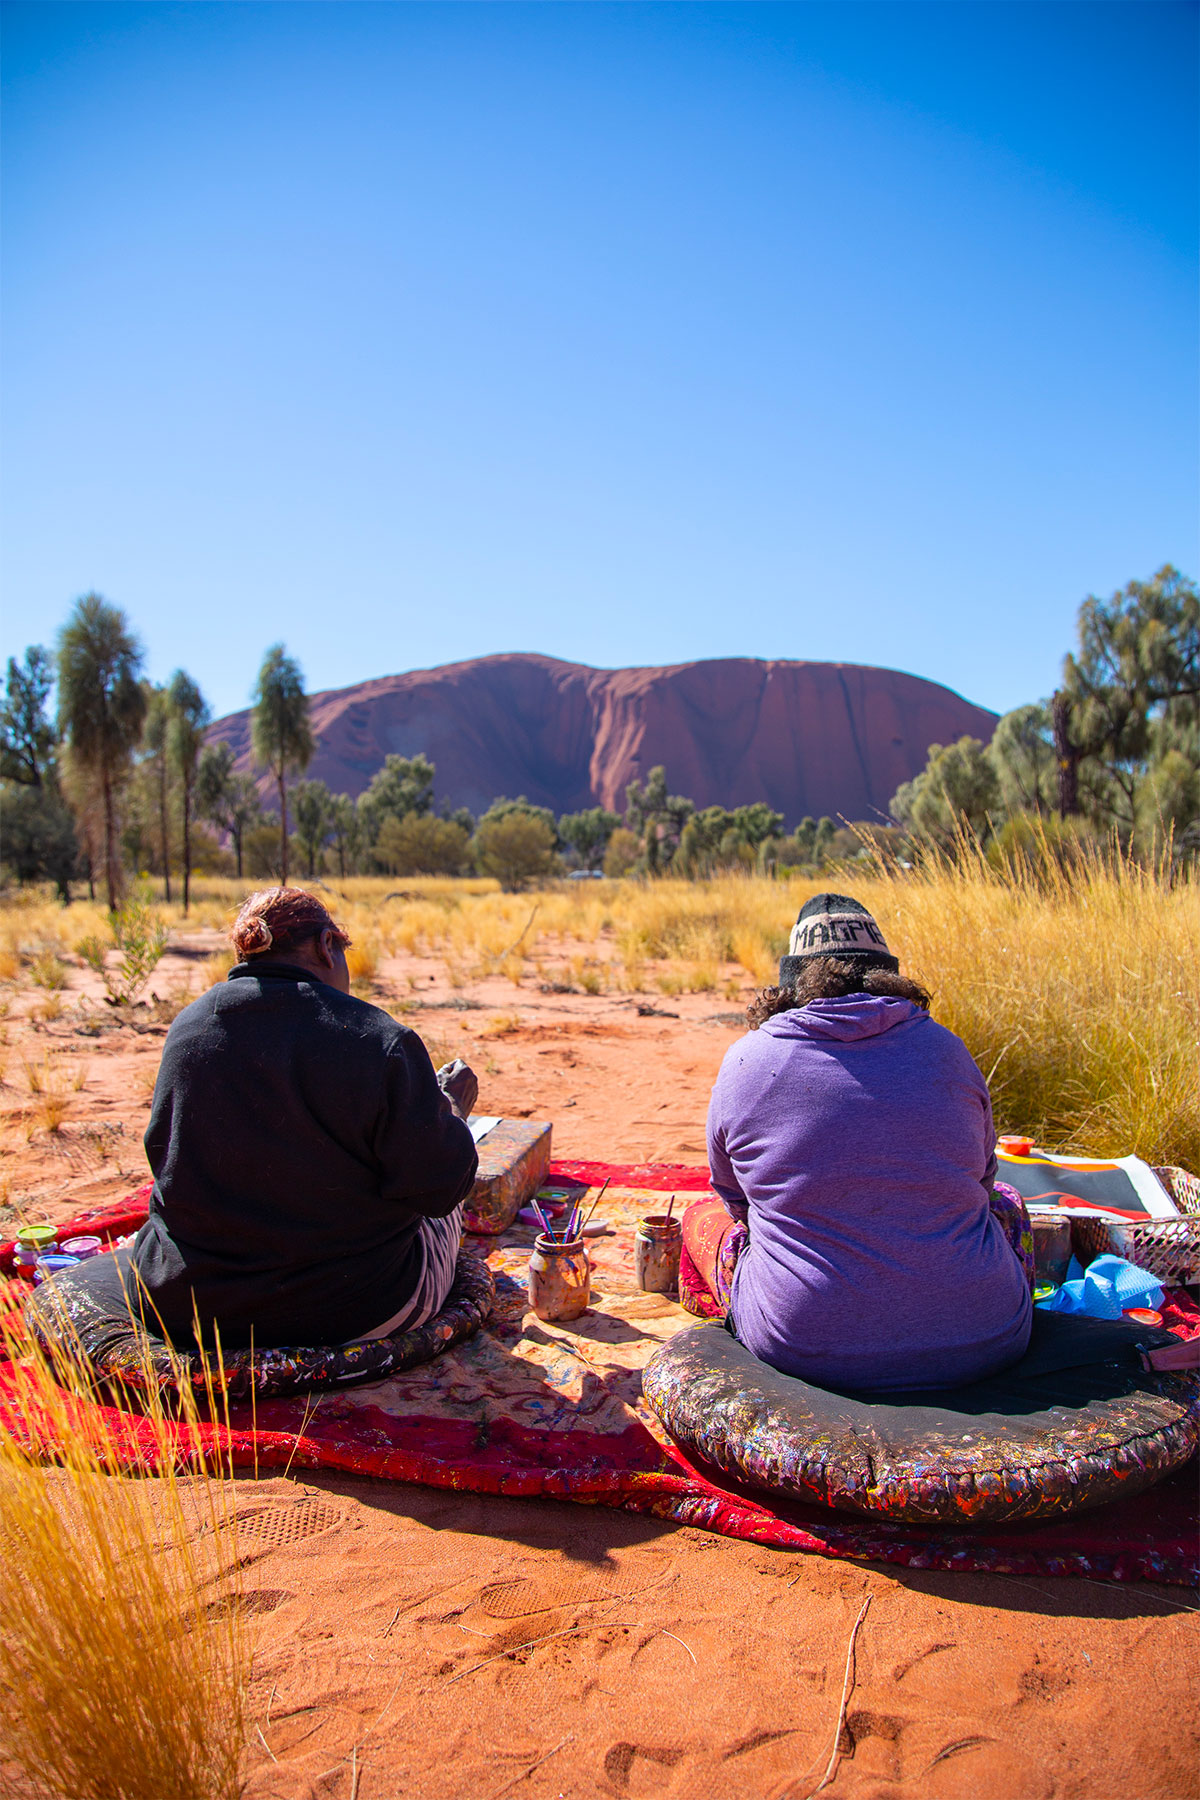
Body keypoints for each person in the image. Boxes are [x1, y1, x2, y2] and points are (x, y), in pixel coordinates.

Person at [79, 887, 479, 1351]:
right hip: (353, 1308)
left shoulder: (188, 1027)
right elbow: (439, 1187)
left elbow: (164, 1158)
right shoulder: (378, 1037)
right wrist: (449, 1112)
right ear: (327, 945)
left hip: (190, 1306)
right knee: (450, 1195)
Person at [680, 893, 1034, 1392]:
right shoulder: (949, 1051)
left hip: (805, 1346)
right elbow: (982, 1181)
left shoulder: (746, 1062)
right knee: (1010, 1205)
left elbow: (735, 1199)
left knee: (703, 1220)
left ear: (793, 982)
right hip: (987, 1337)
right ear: (886, 975)